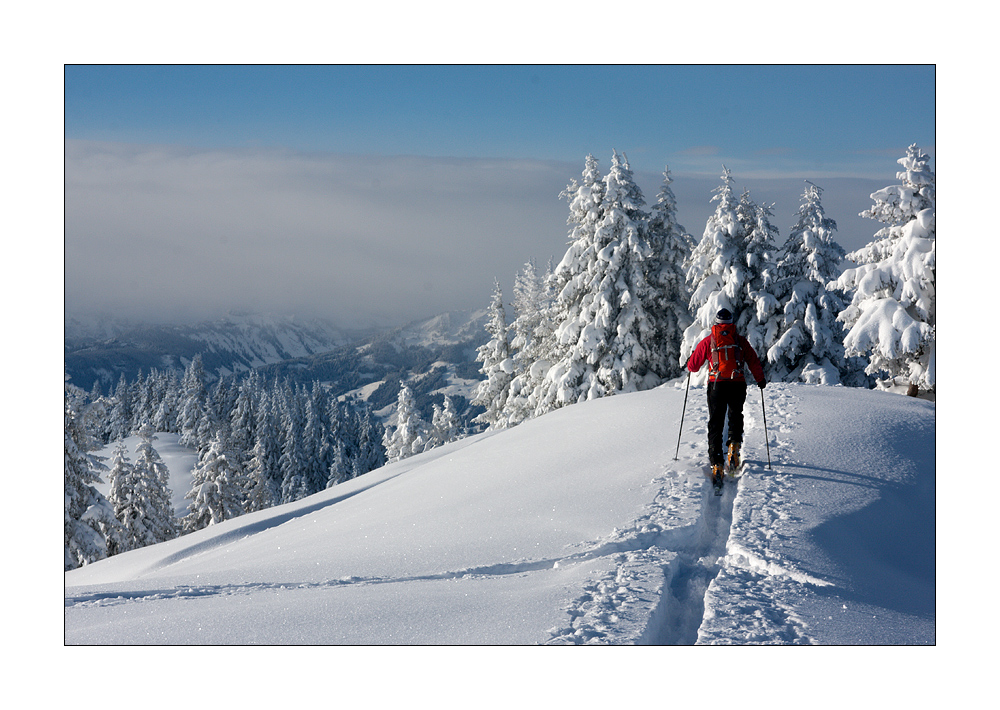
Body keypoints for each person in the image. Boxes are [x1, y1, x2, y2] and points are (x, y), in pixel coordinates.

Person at [686, 308, 766, 487]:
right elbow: (753, 361)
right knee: (736, 415)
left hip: (717, 385)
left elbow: (693, 366)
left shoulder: (709, 341)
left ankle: (716, 464)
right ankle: (734, 447)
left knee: (716, 422)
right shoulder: (740, 341)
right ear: (731, 323)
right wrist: (760, 380)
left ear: (715, 322)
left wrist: (690, 362)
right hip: (737, 384)